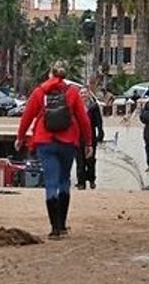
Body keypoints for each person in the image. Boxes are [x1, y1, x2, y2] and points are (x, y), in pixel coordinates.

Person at [15, 63, 92, 239]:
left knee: (50, 183)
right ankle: (63, 225)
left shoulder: (39, 92)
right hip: (68, 141)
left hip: (45, 141)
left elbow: (27, 116)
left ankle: (54, 229)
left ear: (50, 74)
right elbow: (83, 119)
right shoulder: (72, 92)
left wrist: (20, 137)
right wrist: (88, 143)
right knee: (64, 181)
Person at [75, 87, 105, 190]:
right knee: (80, 161)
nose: (83, 95)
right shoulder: (76, 107)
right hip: (78, 137)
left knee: (90, 160)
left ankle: (91, 179)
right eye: (81, 93)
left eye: (85, 93)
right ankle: (81, 182)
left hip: (91, 137)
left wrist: (100, 133)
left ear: (88, 94)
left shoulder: (94, 106)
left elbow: (98, 122)